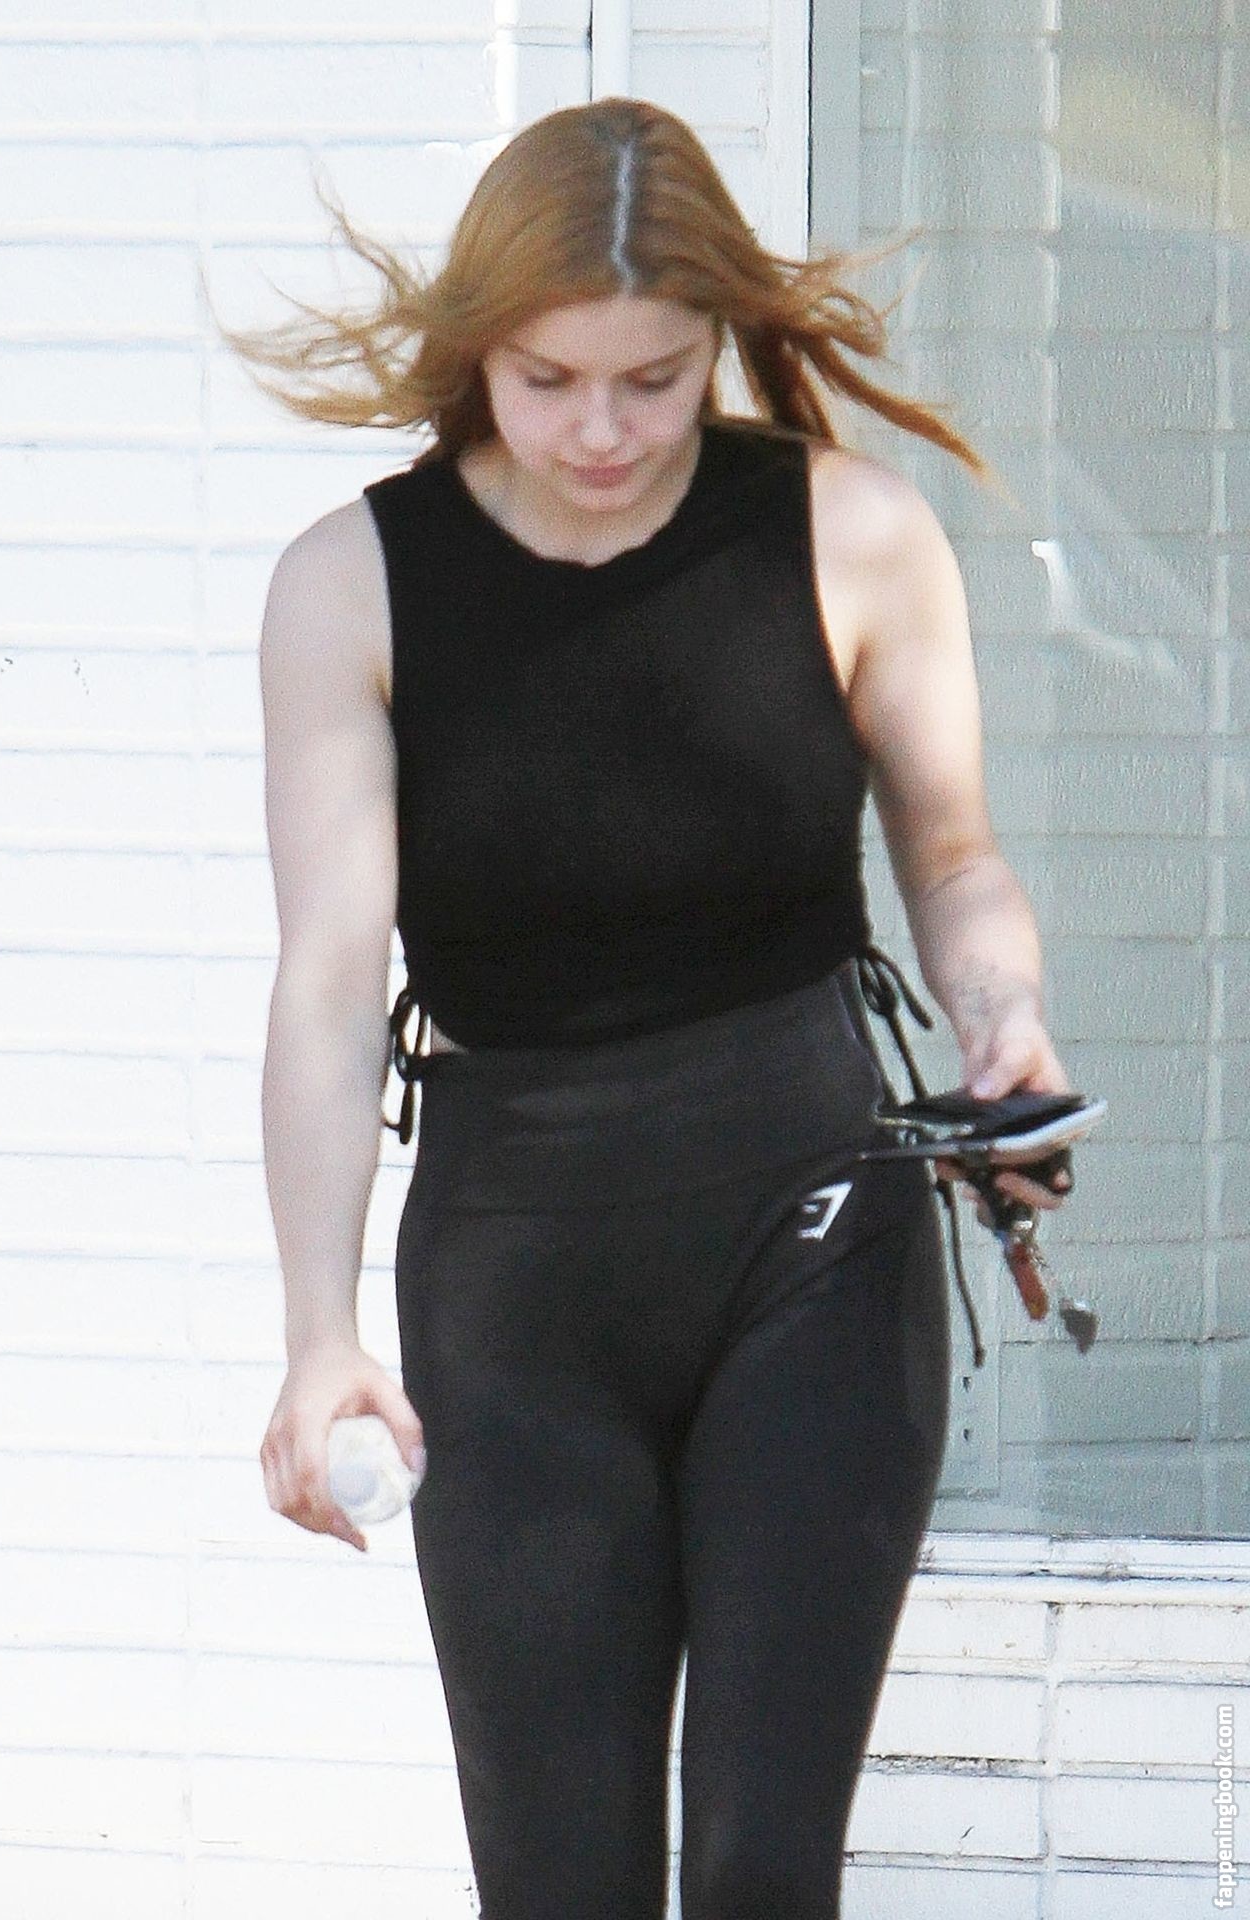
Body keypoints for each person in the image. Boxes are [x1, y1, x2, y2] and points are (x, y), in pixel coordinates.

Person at [233, 97, 1074, 1920]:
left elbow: (955, 863)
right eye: (548, 381)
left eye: (656, 380)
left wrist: (1005, 1024)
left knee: (765, 1870)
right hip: (518, 1285)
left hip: (813, 1240)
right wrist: (316, 1333)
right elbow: (329, 986)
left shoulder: (851, 535)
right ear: (478, 350)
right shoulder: (351, 586)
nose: (602, 432)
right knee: (560, 1886)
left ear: (720, 342)